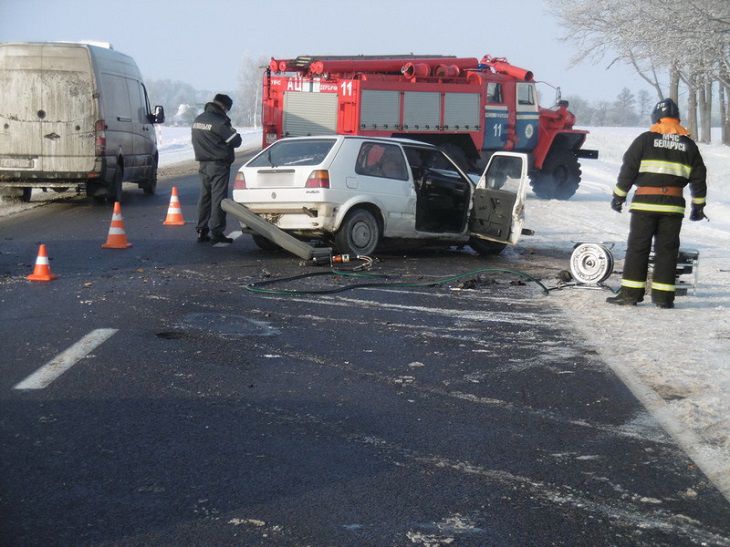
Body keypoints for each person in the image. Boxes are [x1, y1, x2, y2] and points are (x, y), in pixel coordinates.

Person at [606, 98, 707, 309]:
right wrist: (698, 207)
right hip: (673, 206)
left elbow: (628, 170)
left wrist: (619, 197)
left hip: (645, 205)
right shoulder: (688, 145)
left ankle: (630, 295)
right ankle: (663, 298)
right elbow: (699, 178)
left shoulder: (644, 140)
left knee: (638, 249)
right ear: (677, 118)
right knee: (667, 251)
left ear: (656, 118)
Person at [191, 93, 243, 244]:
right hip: (218, 165)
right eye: (227, 109)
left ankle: (201, 229)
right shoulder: (219, 121)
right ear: (224, 107)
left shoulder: (198, 119)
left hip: (203, 164)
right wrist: (235, 133)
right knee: (218, 199)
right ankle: (217, 231)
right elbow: (235, 141)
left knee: (205, 197)